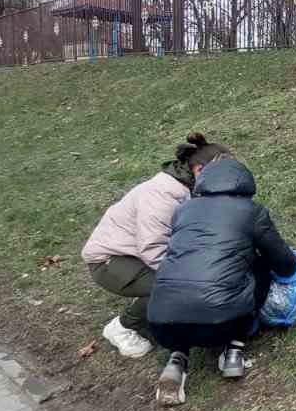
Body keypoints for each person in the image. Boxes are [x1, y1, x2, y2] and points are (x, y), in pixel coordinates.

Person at [148, 149, 296, 403]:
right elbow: (286, 265)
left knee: (185, 272)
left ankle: (177, 358)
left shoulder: (183, 210)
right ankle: (234, 348)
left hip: (161, 323)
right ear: (243, 178)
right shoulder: (252, 212)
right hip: (221, 324)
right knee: (260, 266)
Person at [82, 134, 225, 360]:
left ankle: (151, 301)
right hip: (110, 261)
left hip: (136, 255)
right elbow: (154, 249)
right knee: (174, 287)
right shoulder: (162, 196)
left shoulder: (191, 188)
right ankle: (122, 327)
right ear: (199, 170)